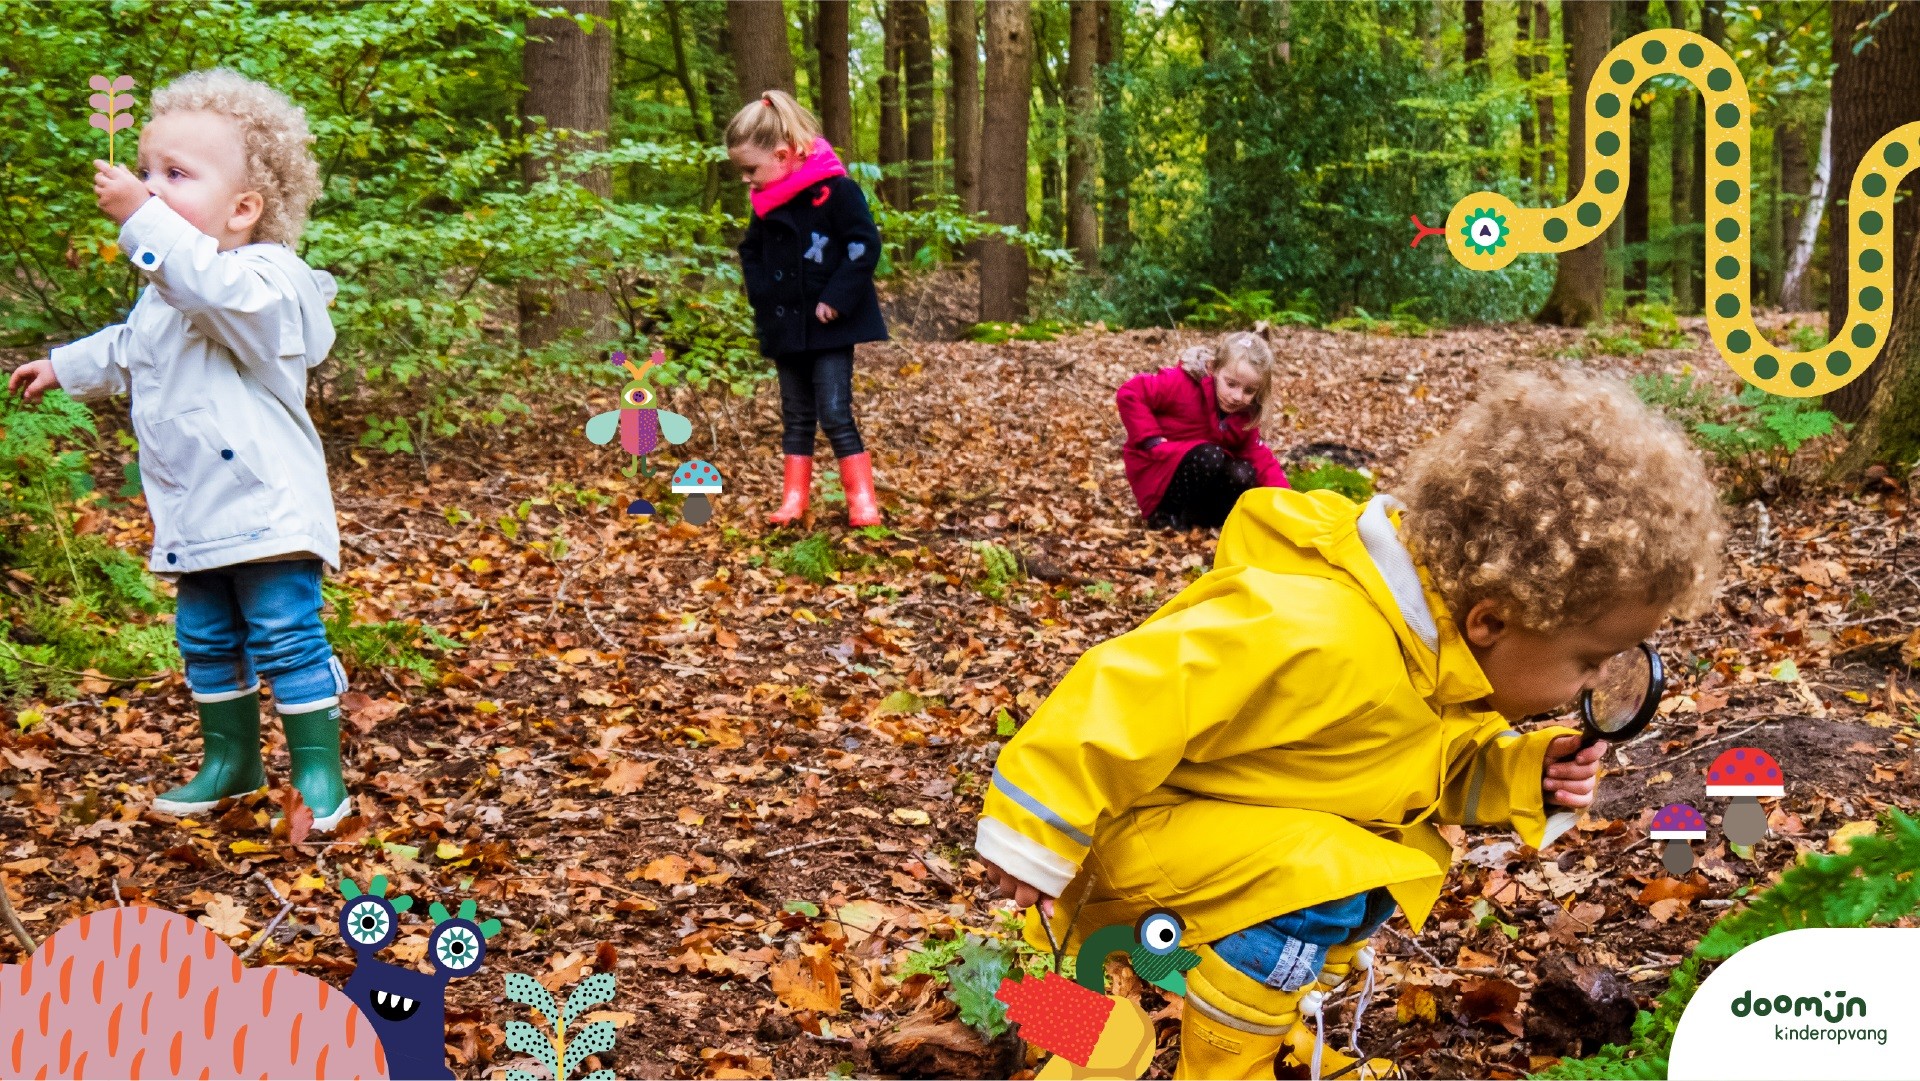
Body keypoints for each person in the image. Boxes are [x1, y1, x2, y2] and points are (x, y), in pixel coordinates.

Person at [975, 368, 1726, 1079]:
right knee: (1335, 871)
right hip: (1119, 842)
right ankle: (1213, 1057)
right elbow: (1129, 688)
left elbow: (1409, 771)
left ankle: (1247, 1028)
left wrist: (1524, 771)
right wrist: (1033, 829)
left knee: (1354, 865)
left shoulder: (1439, 658)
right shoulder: (1324, 629)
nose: (1596, 682)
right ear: (1493, 618)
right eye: (1592, 659)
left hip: (1208, 847)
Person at [7, 70, 353, 833]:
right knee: (204, 635)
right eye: (145, 170)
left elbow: (210, 290)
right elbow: (134, 345)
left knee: (286, 632)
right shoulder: (170, 289)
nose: (149, 187)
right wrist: (65, 365)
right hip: (194, 507)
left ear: (243, 209)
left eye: (175, 175)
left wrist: (140, 218)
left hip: (267, 508)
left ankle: (318, 771)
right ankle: (232, 760)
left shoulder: (267, 280)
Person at [727, 90, 888, 528]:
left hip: (830, 327)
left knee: (835, 411)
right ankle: (794, 499)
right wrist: (764, 297)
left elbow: (864, 246)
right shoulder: (767, 203)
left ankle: (862, 501)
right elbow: (751, 253)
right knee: (795, 415)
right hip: (786, 327)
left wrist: (837, 298)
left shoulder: (836, 191)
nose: (746, 180)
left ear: (783, 155)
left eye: (750, 169)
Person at [1115, 331, 1292, 529]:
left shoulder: (1243, 416)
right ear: (1214, 368)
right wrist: (1151, 439)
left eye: (1249, 391)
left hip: (1199, 483)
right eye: (1231, 384)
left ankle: (1205, 520)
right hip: (1158, 471)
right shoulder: (1180, 383)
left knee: (1243, 473)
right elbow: (1131, 392)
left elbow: (1261, 460)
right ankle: (1164, 516)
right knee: (1211, 455)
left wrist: (1287, 503)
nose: (1237, 396)